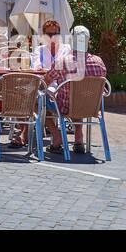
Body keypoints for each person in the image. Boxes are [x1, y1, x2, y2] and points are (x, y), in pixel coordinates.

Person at [43, 26, 106, 155]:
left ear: (72, 41)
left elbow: (47, 80)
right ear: (88, 42)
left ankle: (56, 136)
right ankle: (78, 138)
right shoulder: (99, 62)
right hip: (91, 107)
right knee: (82, 98)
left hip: (66, 108)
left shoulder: (63, 62)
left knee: (39, 102)